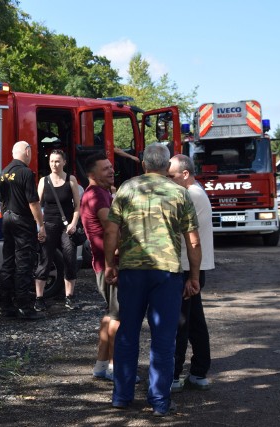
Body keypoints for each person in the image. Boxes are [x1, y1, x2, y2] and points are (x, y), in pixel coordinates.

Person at [104, 143, 201, 417]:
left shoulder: (126, 189)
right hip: (166, 274)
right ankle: (159, 401)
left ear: (144, 164)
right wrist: (193, 276)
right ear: (167, 166)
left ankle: (121, 396)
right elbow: (192, 241)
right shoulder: (180, 194)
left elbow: (111, 231)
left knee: (127, 333)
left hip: (132, 272)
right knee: (163, 339)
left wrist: (110, 264)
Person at [167, 154, 215, 392]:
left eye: (171, 176)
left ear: (185, 174)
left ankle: (174, 375)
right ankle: (198, 371)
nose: (168, 180)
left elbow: (180, 232)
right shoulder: (196, 191)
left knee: (180, 322)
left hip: (188, 267)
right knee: (195, 320)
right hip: (194, 266)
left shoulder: (189, 195)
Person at [79, 152, 120, 380]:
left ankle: (101, 366)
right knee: (118, 318)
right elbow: (109, 227)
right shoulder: (97, 196)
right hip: (110, 266)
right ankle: (117, 368)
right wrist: (113, 262)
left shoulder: (100, 193)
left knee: (109, 315)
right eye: (105, 168)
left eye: (111, 166)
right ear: (92, 174)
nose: (111, 171)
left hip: (103, 264)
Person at [0, 141, 46, 320]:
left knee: (8, 262)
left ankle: (6, 306)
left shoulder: (4, 172)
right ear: (27, 152)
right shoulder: (25, 172)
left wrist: (6, 216)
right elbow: (33, 202)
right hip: (22, 221)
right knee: (24, 264)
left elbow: (2, 200)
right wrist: (41, 225)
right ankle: (25, 307)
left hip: (8, 218)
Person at [34, 149, 81, 311]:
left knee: (69, 258)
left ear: (64, 162)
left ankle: (70, 297)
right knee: (45, 261)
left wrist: (74, 224)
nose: (54, 164)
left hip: (67, 226)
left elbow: (78, 206)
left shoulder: (71, 179)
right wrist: (40, 227)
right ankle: (39, 298)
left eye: (57, 161)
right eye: (52, 161)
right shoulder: (43, 181)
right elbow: (37, 206)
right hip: (48, 225)